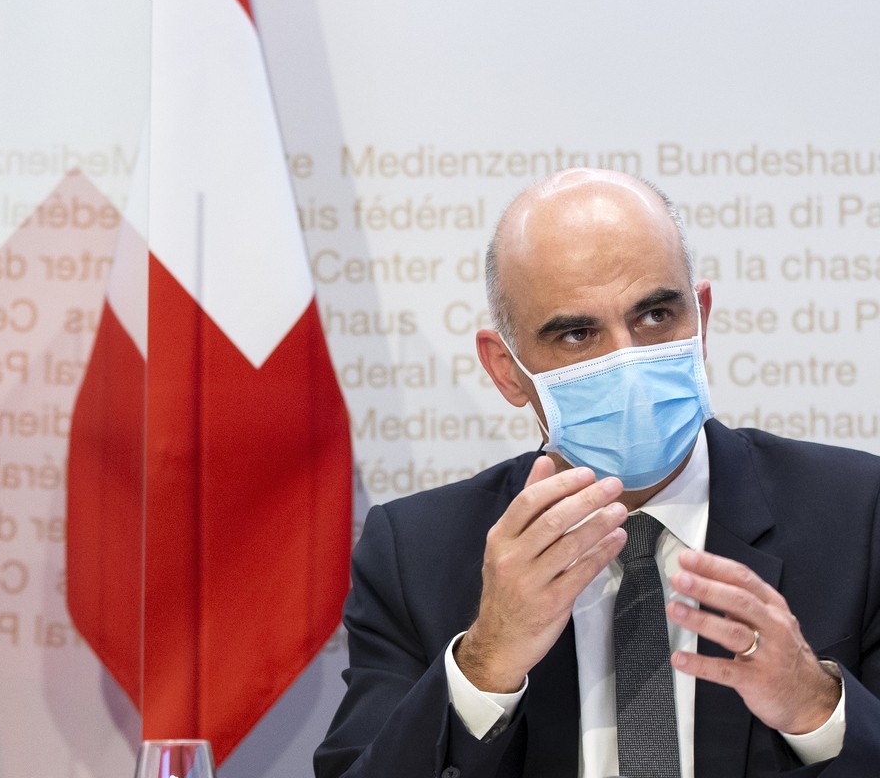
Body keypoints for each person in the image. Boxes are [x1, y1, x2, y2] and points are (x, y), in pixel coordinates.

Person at [316, 168, 880, 778]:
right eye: (578, 334)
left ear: (702, 318)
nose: (628, 359)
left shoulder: (858, 513)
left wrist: (817, 705)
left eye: (657, 316)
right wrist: (485, 663)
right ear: (506, 370)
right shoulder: (416, 552)